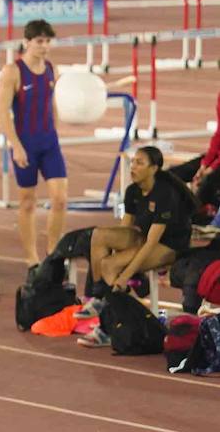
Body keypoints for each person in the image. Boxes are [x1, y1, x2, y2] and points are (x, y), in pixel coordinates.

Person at [77, 146, 196, 346]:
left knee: (111, 266)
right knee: (99, 236)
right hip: (145, 237)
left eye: (140, 163)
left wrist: (124, 275)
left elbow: (152, 242)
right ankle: (99, 296)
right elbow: (124, 229)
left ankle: (107, 328)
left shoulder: (164, 194)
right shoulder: (133, 190)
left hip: (170, 245)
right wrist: (117, 261)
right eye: (133, 161)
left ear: (154, 168)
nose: (133, 166)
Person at [0, 19, 68, 266]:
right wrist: (15, 145)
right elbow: (3, 111)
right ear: (27, 42)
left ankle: (52, 252)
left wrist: (56, 132)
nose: (45, 46)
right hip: (25, 145)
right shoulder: (13, 71)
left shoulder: (51, 69)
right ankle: (31, 259)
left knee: (60, 199)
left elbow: (53, 104)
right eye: (40, 41)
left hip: (49, 143)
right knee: (28, 202)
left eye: (48, 41)